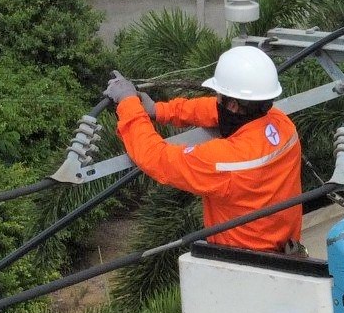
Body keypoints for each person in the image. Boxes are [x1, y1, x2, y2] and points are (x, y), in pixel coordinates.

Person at [105, 45, 303, 252]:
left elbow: (155, 157)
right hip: (287, 251)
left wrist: (127, 102)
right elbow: (215, 110)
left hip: (243, 265)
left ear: (233, 105)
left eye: (219, 96)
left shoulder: (224, 163)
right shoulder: (283, 125)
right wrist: (160, 110)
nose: (216, 101)